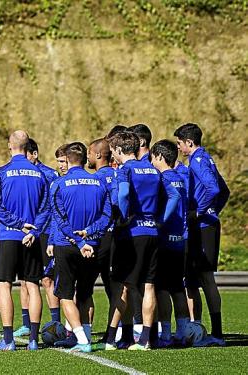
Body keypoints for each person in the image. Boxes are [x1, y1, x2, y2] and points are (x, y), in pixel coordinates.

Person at [104, 131, 180, 351]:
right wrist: (160, 221)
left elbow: (124, 194)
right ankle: (146, 338)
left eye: (113, 152)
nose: (113, 157)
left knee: (125, 286)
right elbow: (174, 196)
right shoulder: (152, 169)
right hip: (153, 232)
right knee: (148, 285)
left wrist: (124, 216)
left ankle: (113, 338)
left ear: (119, 150)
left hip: (133, 232)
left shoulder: (125, 170)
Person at [0, 131, 49, 351]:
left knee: (4, 285)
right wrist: (33, 230)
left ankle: (8, 339)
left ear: (10, 145)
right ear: (27, 147)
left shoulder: (2, 173)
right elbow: (46, 209)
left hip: (9, 236)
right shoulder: (39, 174)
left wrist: (17, 224)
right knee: (33, 285)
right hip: (31, 238)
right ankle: (34, 339)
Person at [51, 142, 112, 353]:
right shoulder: (100, 182)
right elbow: (107, 216)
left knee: (66, 295)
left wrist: (78, 240)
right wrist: (89, 234)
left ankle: (81, 340)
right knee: (86, 294)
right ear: (86, 160)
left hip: (67, 245)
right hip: (93, 245)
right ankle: (85, 336)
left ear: (67, 160)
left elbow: (60, 218)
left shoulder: (59, 184)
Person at [175, 123, 230, 346]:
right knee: (196, 278)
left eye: (179, 143)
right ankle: (201, 328)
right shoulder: (206, 158)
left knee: (206, 278)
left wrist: (201, 211)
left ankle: (217, 334)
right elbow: (224, 190)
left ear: (189, 142)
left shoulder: (197, 161)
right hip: (207, 223)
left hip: (203, 227)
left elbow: (214, 189)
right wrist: (213, 210)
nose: (178, 147)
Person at [150, 139, 191, 347]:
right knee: (178, 288)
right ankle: (183, 332)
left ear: (159, 157)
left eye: (152, 158)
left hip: (165, 239)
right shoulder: (182, 177)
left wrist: (159, 222)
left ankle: (165, 334)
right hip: (181, 239)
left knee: (162, 288)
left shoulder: (162, 179)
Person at [27, 138, 61, 326]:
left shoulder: (49, 175)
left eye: (26, 155)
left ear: (34, 154)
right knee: (27, 280)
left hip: (46, 233)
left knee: (48, 279)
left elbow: (55, 208)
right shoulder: (22, 174)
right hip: (28, 233)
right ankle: (26, 324)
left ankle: (56, 323)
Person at [86, 138, 118, 319]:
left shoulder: (95, 180)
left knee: (86, 285)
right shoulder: (118, 174)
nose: (88, 157)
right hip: (120, 235)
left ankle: (83, 332)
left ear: (98, 154)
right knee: (115, 285)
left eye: (89, 153)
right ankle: (121, 329)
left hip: (102, 237)